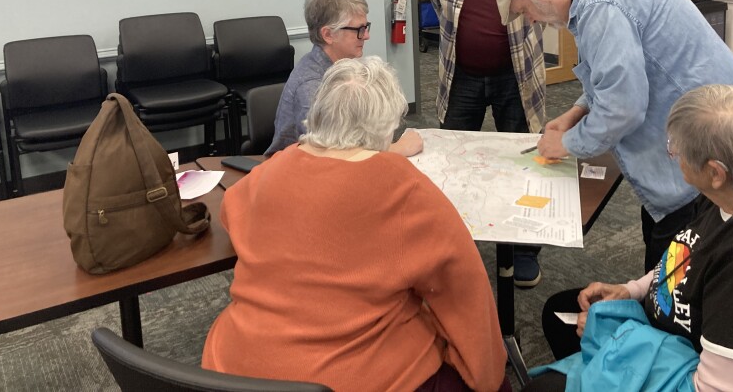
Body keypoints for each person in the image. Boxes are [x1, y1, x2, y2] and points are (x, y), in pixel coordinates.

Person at [203, 57, 512, 392]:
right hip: (348, 377)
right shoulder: (403, 188)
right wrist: (488, 377)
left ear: (319, 113)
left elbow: (232, 212)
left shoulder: (268, 171)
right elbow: (464, 291)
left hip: (232, 369)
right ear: (385, 129)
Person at [530, 85, 733, 391]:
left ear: (716, 172)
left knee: (542, 386)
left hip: (685, 364)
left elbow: (712, 388)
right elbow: (687, 254)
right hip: (668, 328)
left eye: (677, 149)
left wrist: (619, 342)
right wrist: (631, 290)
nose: (673, 154)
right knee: (559, 312)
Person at [494, 0, 733, 271]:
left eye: (526, 10)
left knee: (675, 281)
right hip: (711, 135)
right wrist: (576, 113)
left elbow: (622, 108)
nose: (532, 20)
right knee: (661, 244)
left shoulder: (600, 3)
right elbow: (615, 75)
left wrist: (566, 144)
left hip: (715, 150)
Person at [426, 0, 546, 286]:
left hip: (516, 74)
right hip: (461, 76)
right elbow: (441, 9)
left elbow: (543, 6)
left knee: (525, 159)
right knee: (451, 160)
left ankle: (524, 250)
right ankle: (453, 246)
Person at [265, 0, 421, 157]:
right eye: (359, 29)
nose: (367, 36)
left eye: (366, 27)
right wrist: (398, 149)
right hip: (297, 172)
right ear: (328, 34)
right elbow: (331, 152)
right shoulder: (312, 85)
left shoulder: (341, 70)